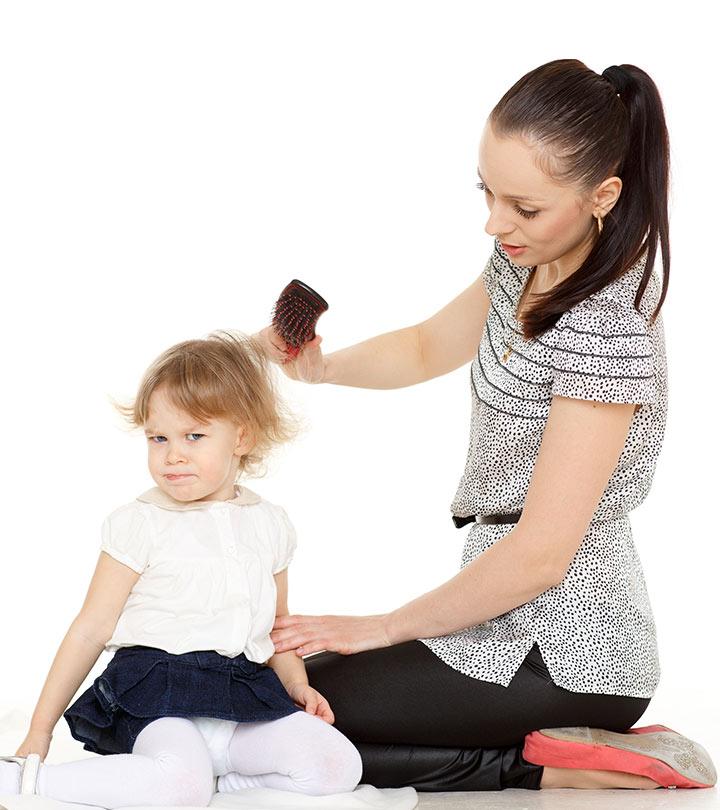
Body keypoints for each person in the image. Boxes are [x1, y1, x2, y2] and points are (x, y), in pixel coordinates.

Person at [256, 59, 717, 791]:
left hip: (568, 652)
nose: (496, 223)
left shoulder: (607, 327)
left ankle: (544, 768)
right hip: (498, 621)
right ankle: (542, 759)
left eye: (524, 208)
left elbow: (541, 557)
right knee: (261, 698)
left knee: (280, 720)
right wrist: (322, 367)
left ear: (603, 196)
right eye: (489, 193)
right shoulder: (524, 262)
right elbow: (426, 345)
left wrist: (378, 627)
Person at [0, 330, 362, 805]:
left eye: (194, 435)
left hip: (241, 694)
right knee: (180, 785)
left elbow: (276, 625)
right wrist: (39, 732)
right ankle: (25, 785)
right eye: (158, 437)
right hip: (158, 693)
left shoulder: (269, 523)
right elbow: (90, 629)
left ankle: (209, 781)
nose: (173, 454)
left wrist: (296, 685)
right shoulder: (140, 522)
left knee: (337, 764)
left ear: (242, 436)